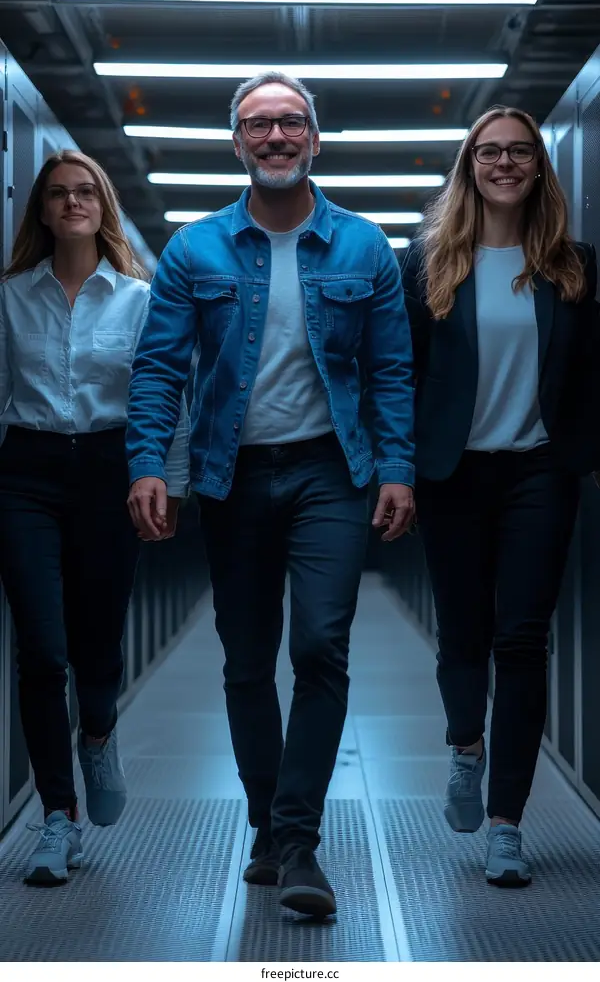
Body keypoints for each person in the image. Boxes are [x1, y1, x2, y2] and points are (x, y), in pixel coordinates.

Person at [126, 71, 415, 918]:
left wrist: (396, 467)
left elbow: (392, 370)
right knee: (248, 659)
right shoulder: (194, 250)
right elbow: (158, 368)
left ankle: (297, 841)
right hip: (233, 473)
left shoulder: (365, 247)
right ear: (238, 143)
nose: (277, 136)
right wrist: (151, 462)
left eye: (292, 123)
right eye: (259, 125)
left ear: (316, 140)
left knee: (321, 644)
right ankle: (268, 823)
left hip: (332, 469)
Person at [401, 105, 600, 887]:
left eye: (521, 151)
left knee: (523, 641)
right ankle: (464, 744)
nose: (506, 163)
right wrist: (398, 469)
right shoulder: (427, 266)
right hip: (452, 472)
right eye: (491, 151)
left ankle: (506, 822)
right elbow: (402, 376)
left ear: (539, 167)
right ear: (470, 164)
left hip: (540, 473)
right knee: (464, 633)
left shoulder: (575, 267)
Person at [0, 150, 190, 886]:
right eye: (58, 194)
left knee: (97, 641)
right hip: (27, 473)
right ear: (42, 210)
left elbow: (166, 400)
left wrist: (167, 487)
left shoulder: (139, 298)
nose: (72, 203)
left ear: (101, 205)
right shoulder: (11, 297)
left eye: (85, 192)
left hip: (112, 471)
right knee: (42, 649)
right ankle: (59, 815)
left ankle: (100, 731)